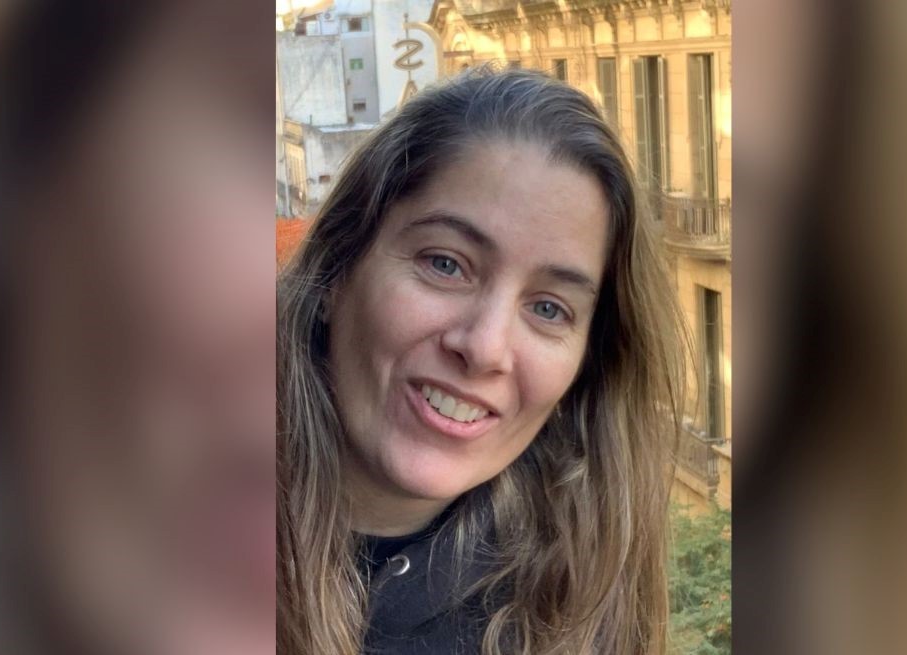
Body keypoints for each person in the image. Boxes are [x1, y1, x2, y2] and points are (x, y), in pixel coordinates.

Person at [278, 66, 687, 654]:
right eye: (445, 264)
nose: (485, 348)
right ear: (336, 272)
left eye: (548, 308)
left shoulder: (581, 609)